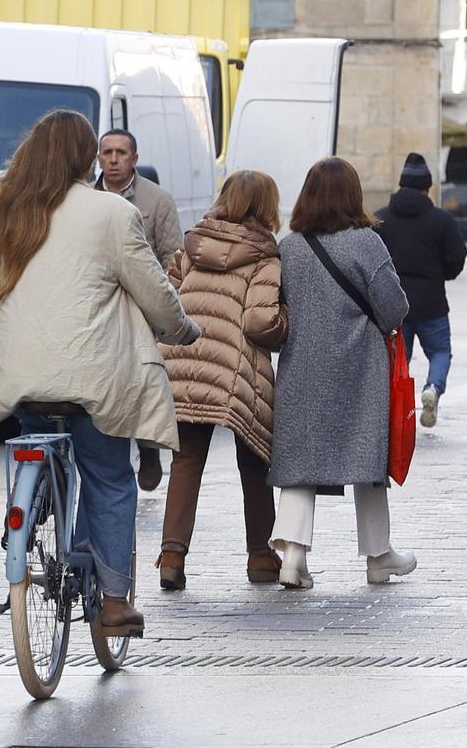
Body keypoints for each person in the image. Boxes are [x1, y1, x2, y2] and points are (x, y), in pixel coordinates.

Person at [0, 110, 200, 635]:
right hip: (92, 379)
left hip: (21, 375)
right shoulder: (110, 212)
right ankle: (111, 601)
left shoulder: (5, 208)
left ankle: (33, 503)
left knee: (38, 437)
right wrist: (184, 331)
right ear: (88, 158)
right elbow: (154, 291)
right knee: (109, 476)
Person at [268, 157, 414, 590]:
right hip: (360, 370)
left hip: (302, 368)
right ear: (353, 195)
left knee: (301, 461)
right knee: (368, 459)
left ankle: (292, 557)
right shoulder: (367, 243)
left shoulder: (289, 247)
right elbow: (394, 309)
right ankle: (378, 555)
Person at [156, 170, 288, 591]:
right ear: (266, 206)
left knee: (186, 459)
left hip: (184, 359)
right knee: (254, 460)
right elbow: (260, 319)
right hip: (234, 368)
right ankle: (261, 557)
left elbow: (169, 298)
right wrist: (286, 325)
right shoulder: (265, 256)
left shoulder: (191, 245)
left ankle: (172, 556)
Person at [95, 128, 185, 492]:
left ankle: (148, 447)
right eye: (106, 153)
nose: (113, 159)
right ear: (98, 159)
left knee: (145, 377)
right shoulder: (85, 197)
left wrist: (159, 292)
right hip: (98, 305)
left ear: (134, 158)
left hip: (142, 307)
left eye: (120, 153)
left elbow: (173, 257)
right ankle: (108, 442)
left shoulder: (156, 200)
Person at [376, 153, 467, 428]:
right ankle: (433, 388)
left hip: (393, 304)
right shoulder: (442, 220)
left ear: (400, 185)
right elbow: (457, 257)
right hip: (431, 302)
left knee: (397, 360)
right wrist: (442, 274)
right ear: (428, 188)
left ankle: (395, 409)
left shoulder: (380, 219)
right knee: (440, 352)